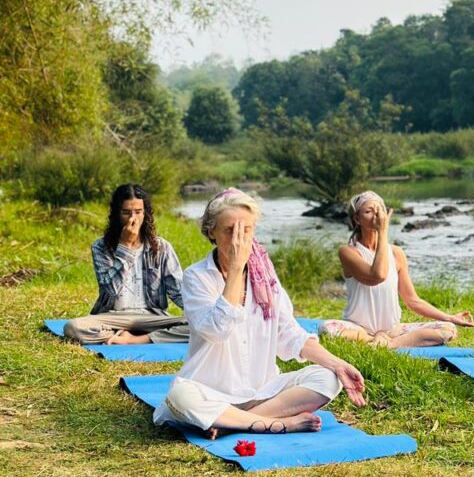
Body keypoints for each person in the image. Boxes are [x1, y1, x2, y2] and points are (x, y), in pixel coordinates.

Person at [153, 188, 366, 436]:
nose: (239, 240)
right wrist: (235, 269)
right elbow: (217, 331)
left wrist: (338, 364)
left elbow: (289, 334)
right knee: (180, 396)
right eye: (229, 230)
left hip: (262, 391)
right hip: (210, 391)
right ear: (211, 231)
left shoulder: (264, 276)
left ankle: (233, 423)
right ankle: (279, 423)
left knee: (328, 378)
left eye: (246, 230)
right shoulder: (196, 277)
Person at [319, 190, 474, 349]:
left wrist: (450, 317)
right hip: (359, 329)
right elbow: (377, 276)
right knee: (327, 329)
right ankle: (374, 341)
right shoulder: (348, 252)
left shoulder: (396, 253)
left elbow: (413, 301)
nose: (376, 215)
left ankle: (386, 344)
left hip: (393, 330)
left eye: (379, 210)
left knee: (448, 329)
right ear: (357, 219)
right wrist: (383, 231)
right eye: (368, 211)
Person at [64, 183, 189, 345]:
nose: (132, 219)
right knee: (72, 328)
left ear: (146, 214)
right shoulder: (101, 247)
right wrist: (125, 247)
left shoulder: (162, 247)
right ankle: (127, 334)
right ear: (116, 214)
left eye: (138, 212)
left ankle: (134, 339)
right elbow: (110, 290)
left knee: (200, 327)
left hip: (152, 317)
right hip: (113, 316)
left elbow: (179, 292)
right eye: (126, 213)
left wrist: (203, 313)